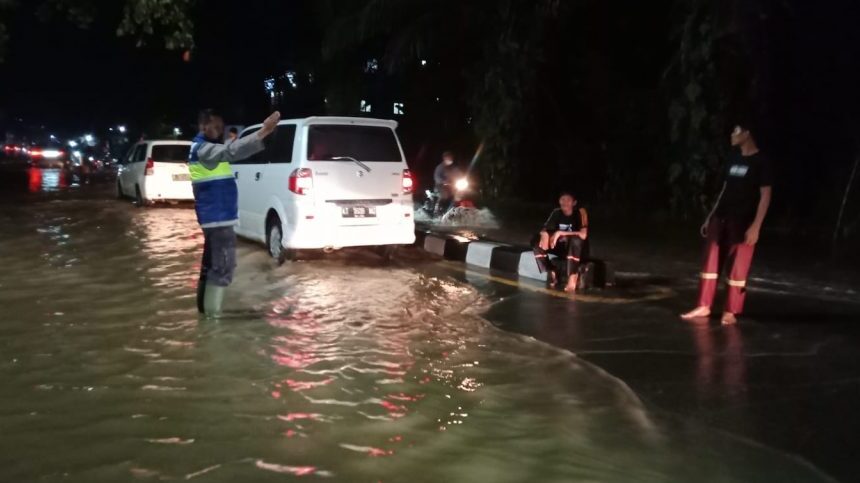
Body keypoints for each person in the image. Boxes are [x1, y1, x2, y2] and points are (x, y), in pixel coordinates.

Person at [191, 108, 281, 316]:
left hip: (214, 217)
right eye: (216, 126)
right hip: (218, 219)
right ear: (204, 126)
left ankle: (204, 315)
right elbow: (231, 151)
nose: (220, 130)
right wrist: (263, 132)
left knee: (210, 267)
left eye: (221, 127)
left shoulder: (202, 147)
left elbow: (229, 149)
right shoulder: (204, 149)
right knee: (223, 267)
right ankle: (213, 322)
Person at [682, 123, 773, 325]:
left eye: (736, 131)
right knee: (710, 261)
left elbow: (765, 196)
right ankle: (704, 305)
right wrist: (710, 216)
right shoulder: (733, 158)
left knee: (737, 266)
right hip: (721, 216)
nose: (732, 135)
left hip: (742, 221)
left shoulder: (761, 161)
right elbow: (724, 189)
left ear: (748, 133)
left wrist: (756, 225)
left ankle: (730, 310)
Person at [533, 192, 589, 292]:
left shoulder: (581, 212)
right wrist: (544, 234)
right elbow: (545, 229)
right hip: (561, 247)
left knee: (575, 240)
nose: (565, 202)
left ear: (574, 202)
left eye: (568, 200)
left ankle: (573, 276)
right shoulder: (556, 212)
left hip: (578, 250)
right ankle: (551, 270)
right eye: (562, 200)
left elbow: (583, 235)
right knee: (536, 240)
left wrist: (560, 232)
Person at [432, 151, 461, 216]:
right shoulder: (440, 167)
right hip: (441, 185)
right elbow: (437, 177)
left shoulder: (454, 168)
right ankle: (437, 210)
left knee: (461, 193)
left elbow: (459, 174)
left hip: (452, 185)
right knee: (444, 195)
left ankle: (458, 210)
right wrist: (443, 181)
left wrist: (462, 179)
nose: (450, 159)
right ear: (444, 158)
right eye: (448, 158)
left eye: (451, 158)